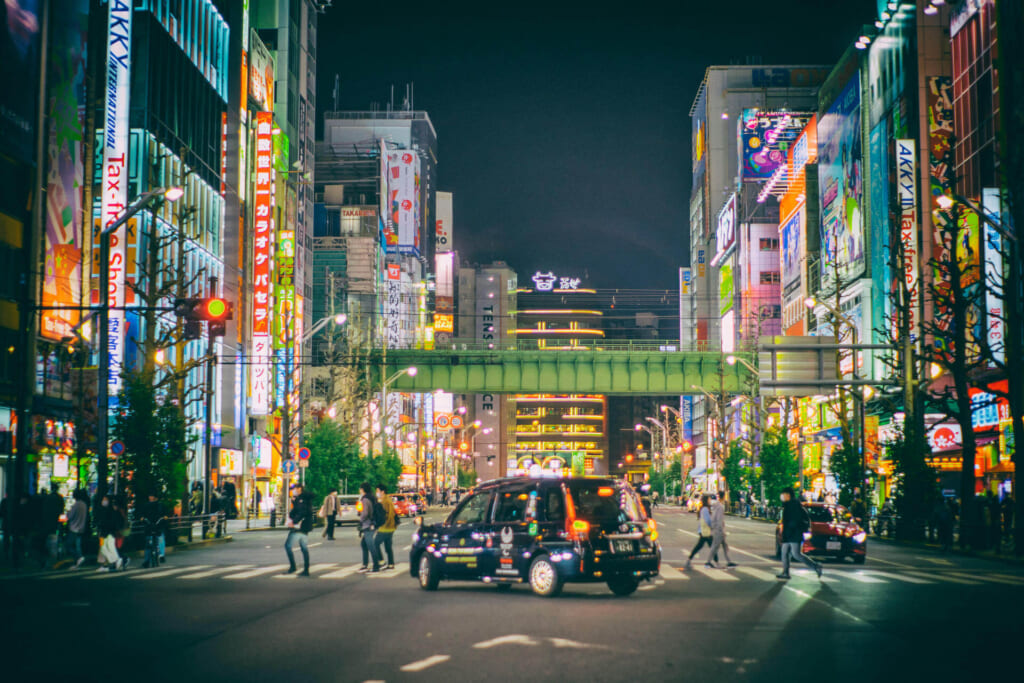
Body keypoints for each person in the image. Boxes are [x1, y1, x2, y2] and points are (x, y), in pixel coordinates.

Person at [777, 487, 821, 580]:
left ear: (788, 495)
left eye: (783, 494)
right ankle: (785, 572)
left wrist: (790, 531)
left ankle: (816, 566)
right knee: (784, 552)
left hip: (794, 534)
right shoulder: (788, 504)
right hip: (789, 534)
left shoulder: (794, 505)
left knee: (796, 554)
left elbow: (795, 520)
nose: (782, 496)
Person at [283, 484, 313, 576]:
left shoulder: (301, 499)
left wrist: (294, 522)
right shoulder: (301, 498)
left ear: (299, 489)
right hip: (305, 526)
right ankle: (306, 569)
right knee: (304, 548)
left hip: (299, 526)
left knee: (288, 545)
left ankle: (293, 566)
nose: (294, 490)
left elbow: (301, 512)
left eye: (295, 489)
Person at [684, 495, 716, 570]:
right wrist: (713, 526)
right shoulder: (705, 509)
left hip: (703, 531)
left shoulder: (704, 509)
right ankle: (715, 562)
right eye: (709, 499)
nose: (710, 500)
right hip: (705, 531)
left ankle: (689, 561)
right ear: (706, 500)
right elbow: (707, 520)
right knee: (711, 546)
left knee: (701, 546)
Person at [709, 492, 737, 569]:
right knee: (715, 547)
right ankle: (708, 562)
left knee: (725, 546)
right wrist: (721, 530)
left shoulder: (716, 505)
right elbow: (719, 519)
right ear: (723, 496)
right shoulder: (720, 507)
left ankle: (729, 562)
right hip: (719, 530)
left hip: (717, 529)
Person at [358, 482, 381, 573]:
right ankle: (365, 564)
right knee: (364, 544)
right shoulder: (372, 497)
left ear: (363, 489)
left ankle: (376, 565)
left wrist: (361, 520)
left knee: (371, 545)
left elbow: (365, 513)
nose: (359, 490)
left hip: (368, 524)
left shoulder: (365, 499)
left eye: (360, 488)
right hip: (373, 523)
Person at [95, 495, 122, 572]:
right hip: (108, 533)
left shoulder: (107, 511)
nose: (104, 501)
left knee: (104, 548)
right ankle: (116, 560)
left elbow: (107, 522)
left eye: (105, 499)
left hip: (106, 533)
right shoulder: (109, 510)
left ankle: (114, 560)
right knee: (109, 547)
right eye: (103, 499)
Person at [374, 484, 398, 570]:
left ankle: (381, 561)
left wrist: (382, 525)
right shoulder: (386, 500)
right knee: (388, 546)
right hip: (391, 527)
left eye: (377, 491)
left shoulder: (386, 501)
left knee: (375, 543)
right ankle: (391, 563)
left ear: (382, 491)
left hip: (386, 527)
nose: (376, 493)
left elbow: (388, 515)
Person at [140, 494, 166, 569]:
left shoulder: (160, 505)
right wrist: (142, 518)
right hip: (150, 526)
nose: (150, 497)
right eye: (150, 496)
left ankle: (161, 555)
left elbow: (164, 514)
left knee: (160, 539)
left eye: (152, 496)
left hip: (158, 526)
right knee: (149, 543)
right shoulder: (146, 505)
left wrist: (164, 517)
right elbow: (142, 514)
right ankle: (147, 561)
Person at [65, 489, 88, 569]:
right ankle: (78, 562)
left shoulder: (76, 505)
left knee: (69, 545)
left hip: (74, 528)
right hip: (81, 528)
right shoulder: (84, 505)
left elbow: (69, 516)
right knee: (78, 545)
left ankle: (78, 557)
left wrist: (68, 512)